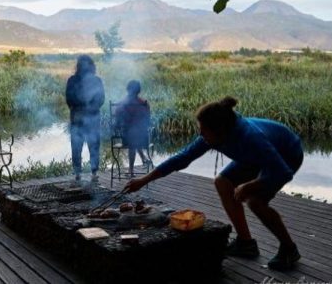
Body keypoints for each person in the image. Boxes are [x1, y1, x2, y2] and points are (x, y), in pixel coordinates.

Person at [125, 96, 303, 271]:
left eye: (203, 130)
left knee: (256, 201)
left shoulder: (251, 137)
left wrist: (249, 186)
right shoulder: (215, 135)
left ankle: (289, 249)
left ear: (220, 130)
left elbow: (282, 172)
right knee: (223, 182)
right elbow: (182, 158)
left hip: (286, 153)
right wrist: (143, 180)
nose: (200, 134)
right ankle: (245, 243)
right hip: (252, 157)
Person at [66, 55, 105, 183]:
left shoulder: (72, 80)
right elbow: (101, 100)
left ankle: (78, 174)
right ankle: (94, 173)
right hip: (92, 119)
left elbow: (69, 100)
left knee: (77, 146)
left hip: (77, 118)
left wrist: (79, 107)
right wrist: (90, 108)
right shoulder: (97, 80)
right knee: (93, 146)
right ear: (92, 66)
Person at [113, 80, 153, 176]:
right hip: (143, 139)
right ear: (138, 90)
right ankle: (143, 158)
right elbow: (148, 121)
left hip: (126, 138)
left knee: (132, 136)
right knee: (135, 135)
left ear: (127, 90)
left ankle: (131, 169)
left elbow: (117, 121)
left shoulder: (121, 104)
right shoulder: (144, 103)